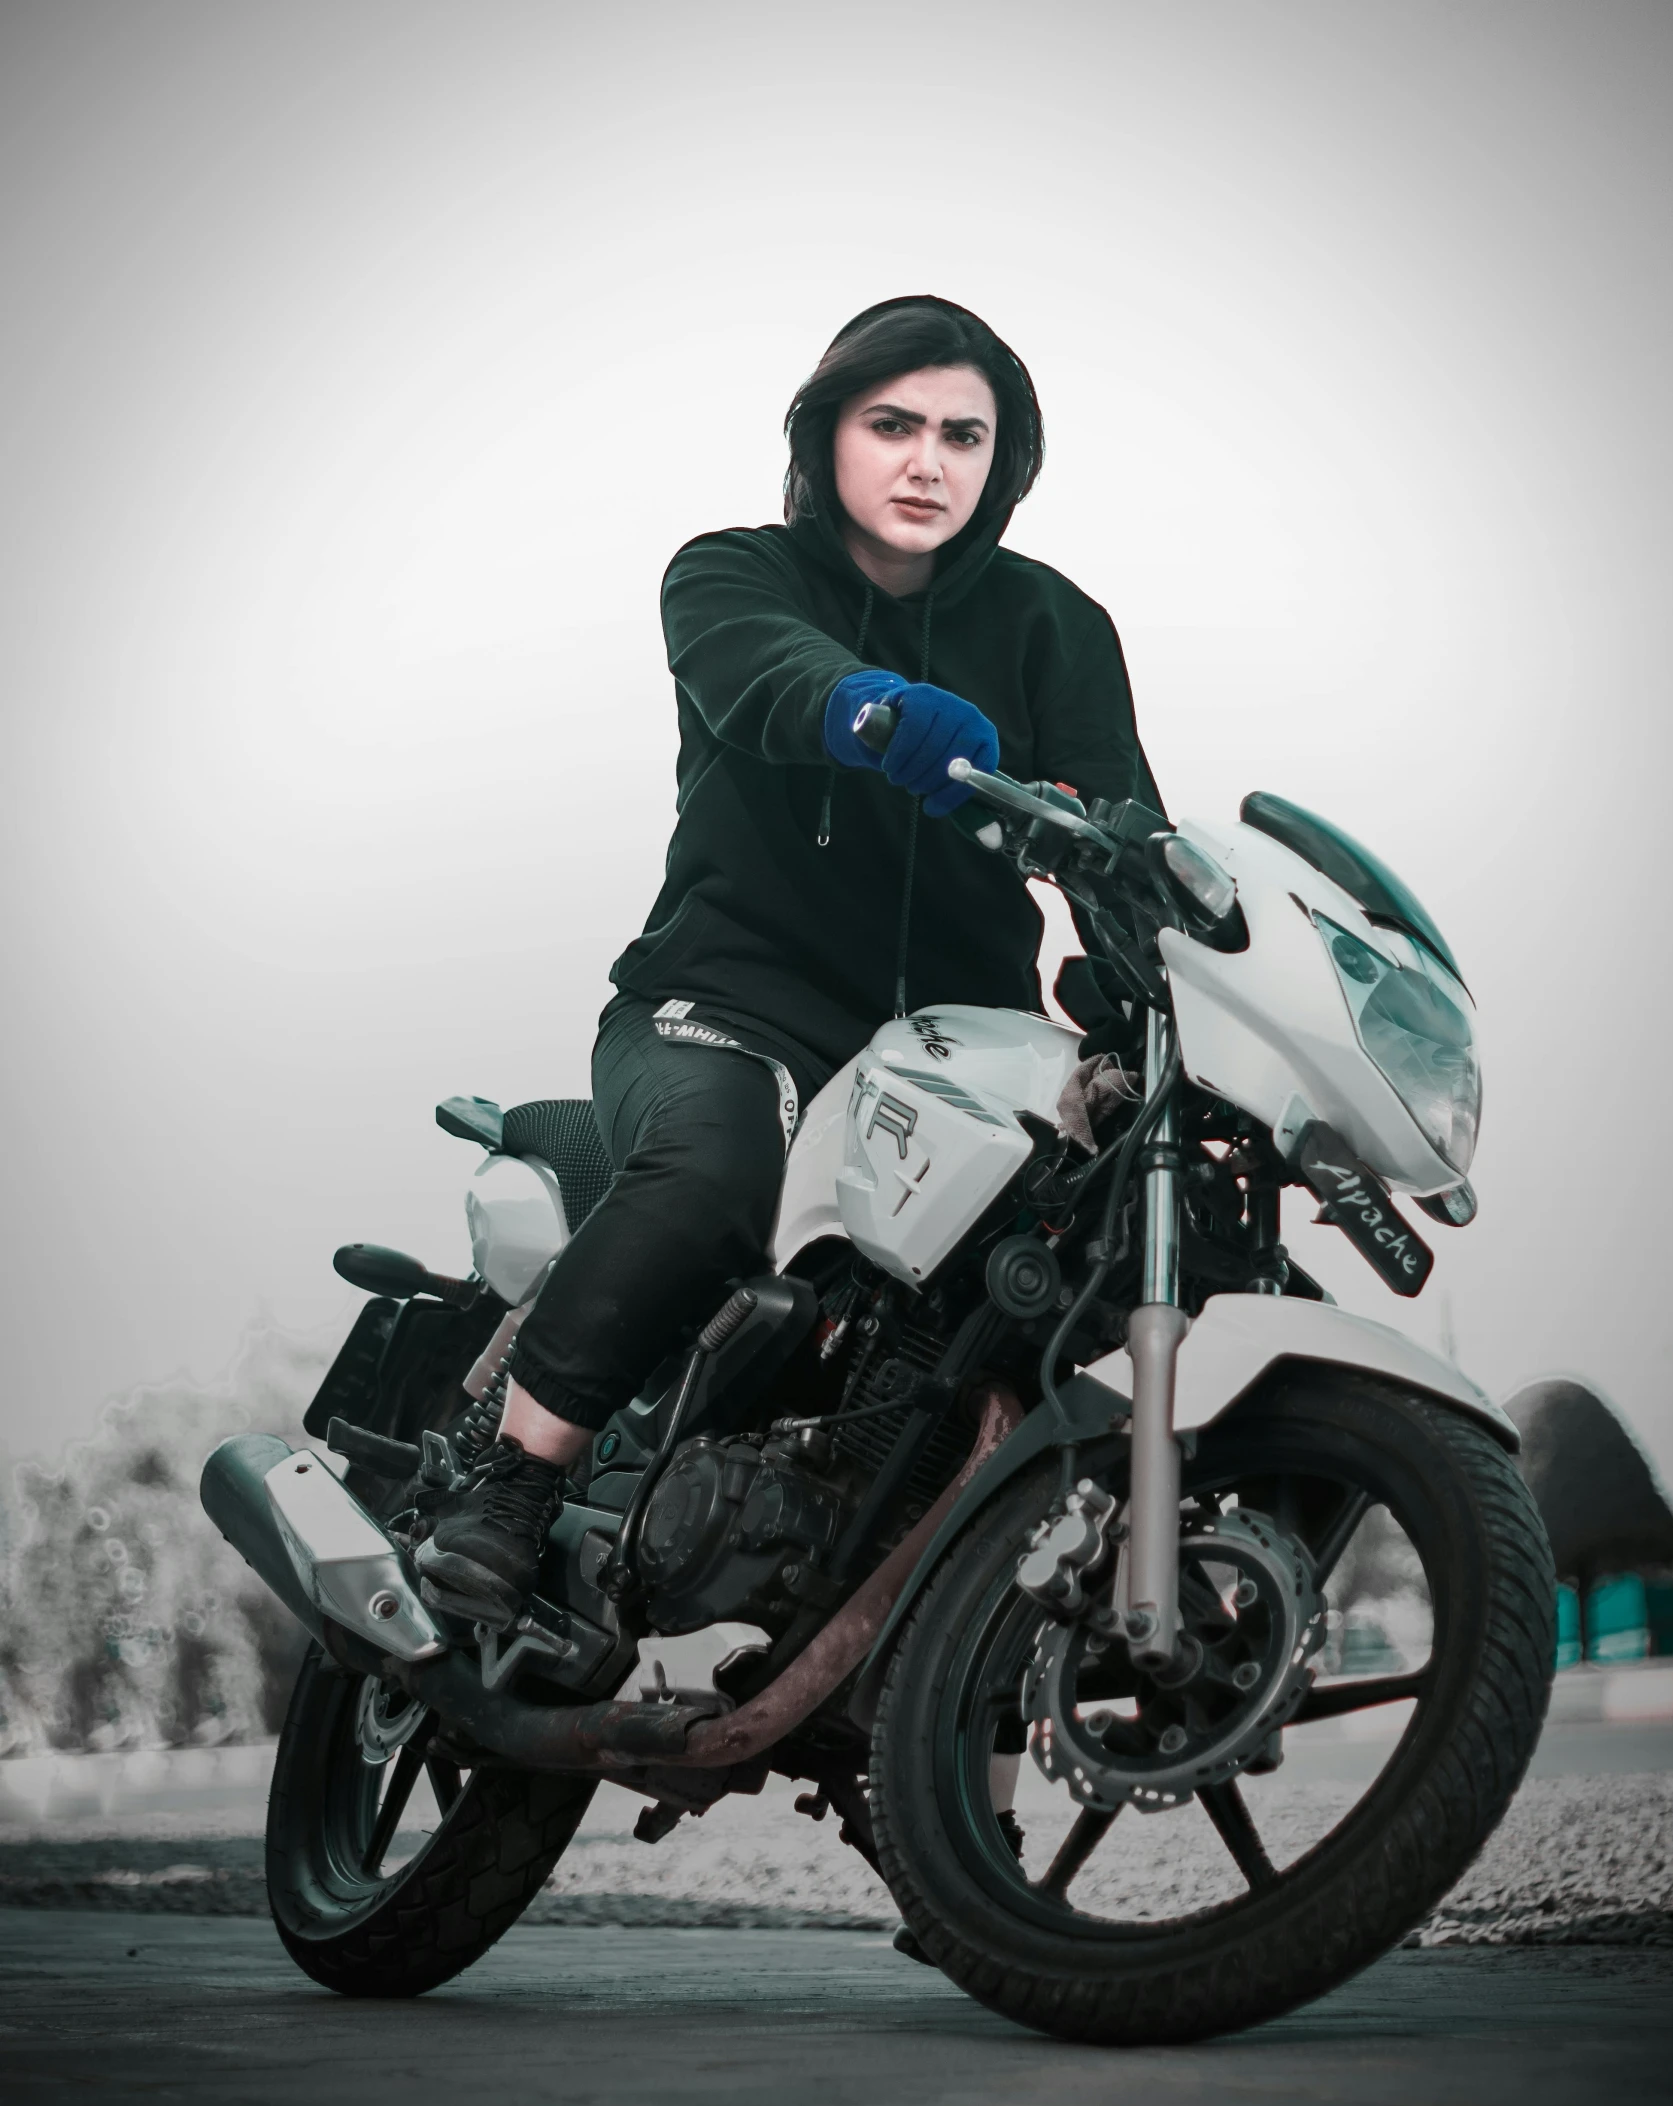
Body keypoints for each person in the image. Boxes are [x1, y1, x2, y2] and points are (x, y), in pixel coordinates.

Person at [418, 294, 1165, 1620]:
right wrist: (869, 709)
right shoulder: (730, 573)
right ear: (826, 436)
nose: (929, 460)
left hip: (955, 1045)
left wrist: (1145, 985)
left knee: (1076, 1254)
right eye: (893, 424)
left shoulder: (1060, 627)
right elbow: (764, 672)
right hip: (728, 1005)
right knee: (714, 1175)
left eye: (964, 434)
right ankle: (510, 1480)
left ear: (1005, 461)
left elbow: (1124, 840)